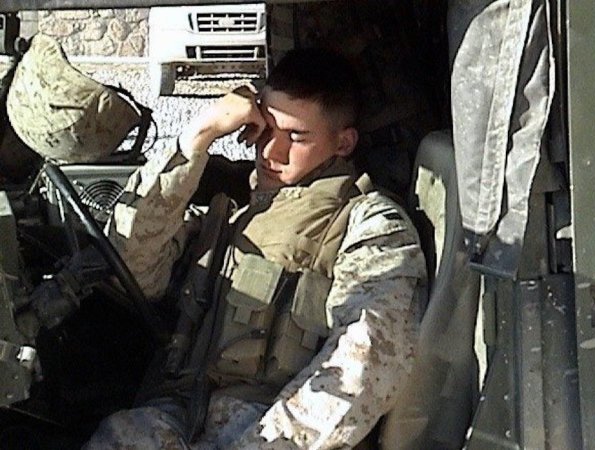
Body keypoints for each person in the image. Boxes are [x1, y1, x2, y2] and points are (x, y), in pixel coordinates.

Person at [85, 48, 426, 449]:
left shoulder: (366, 222)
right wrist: (201, 135)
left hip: (270, 429)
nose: (269, 152)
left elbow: (366, 363)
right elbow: (130, 267)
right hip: (178, 415)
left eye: (296, 137)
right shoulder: (230, 212)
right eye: (265, 129)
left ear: (343, 143)